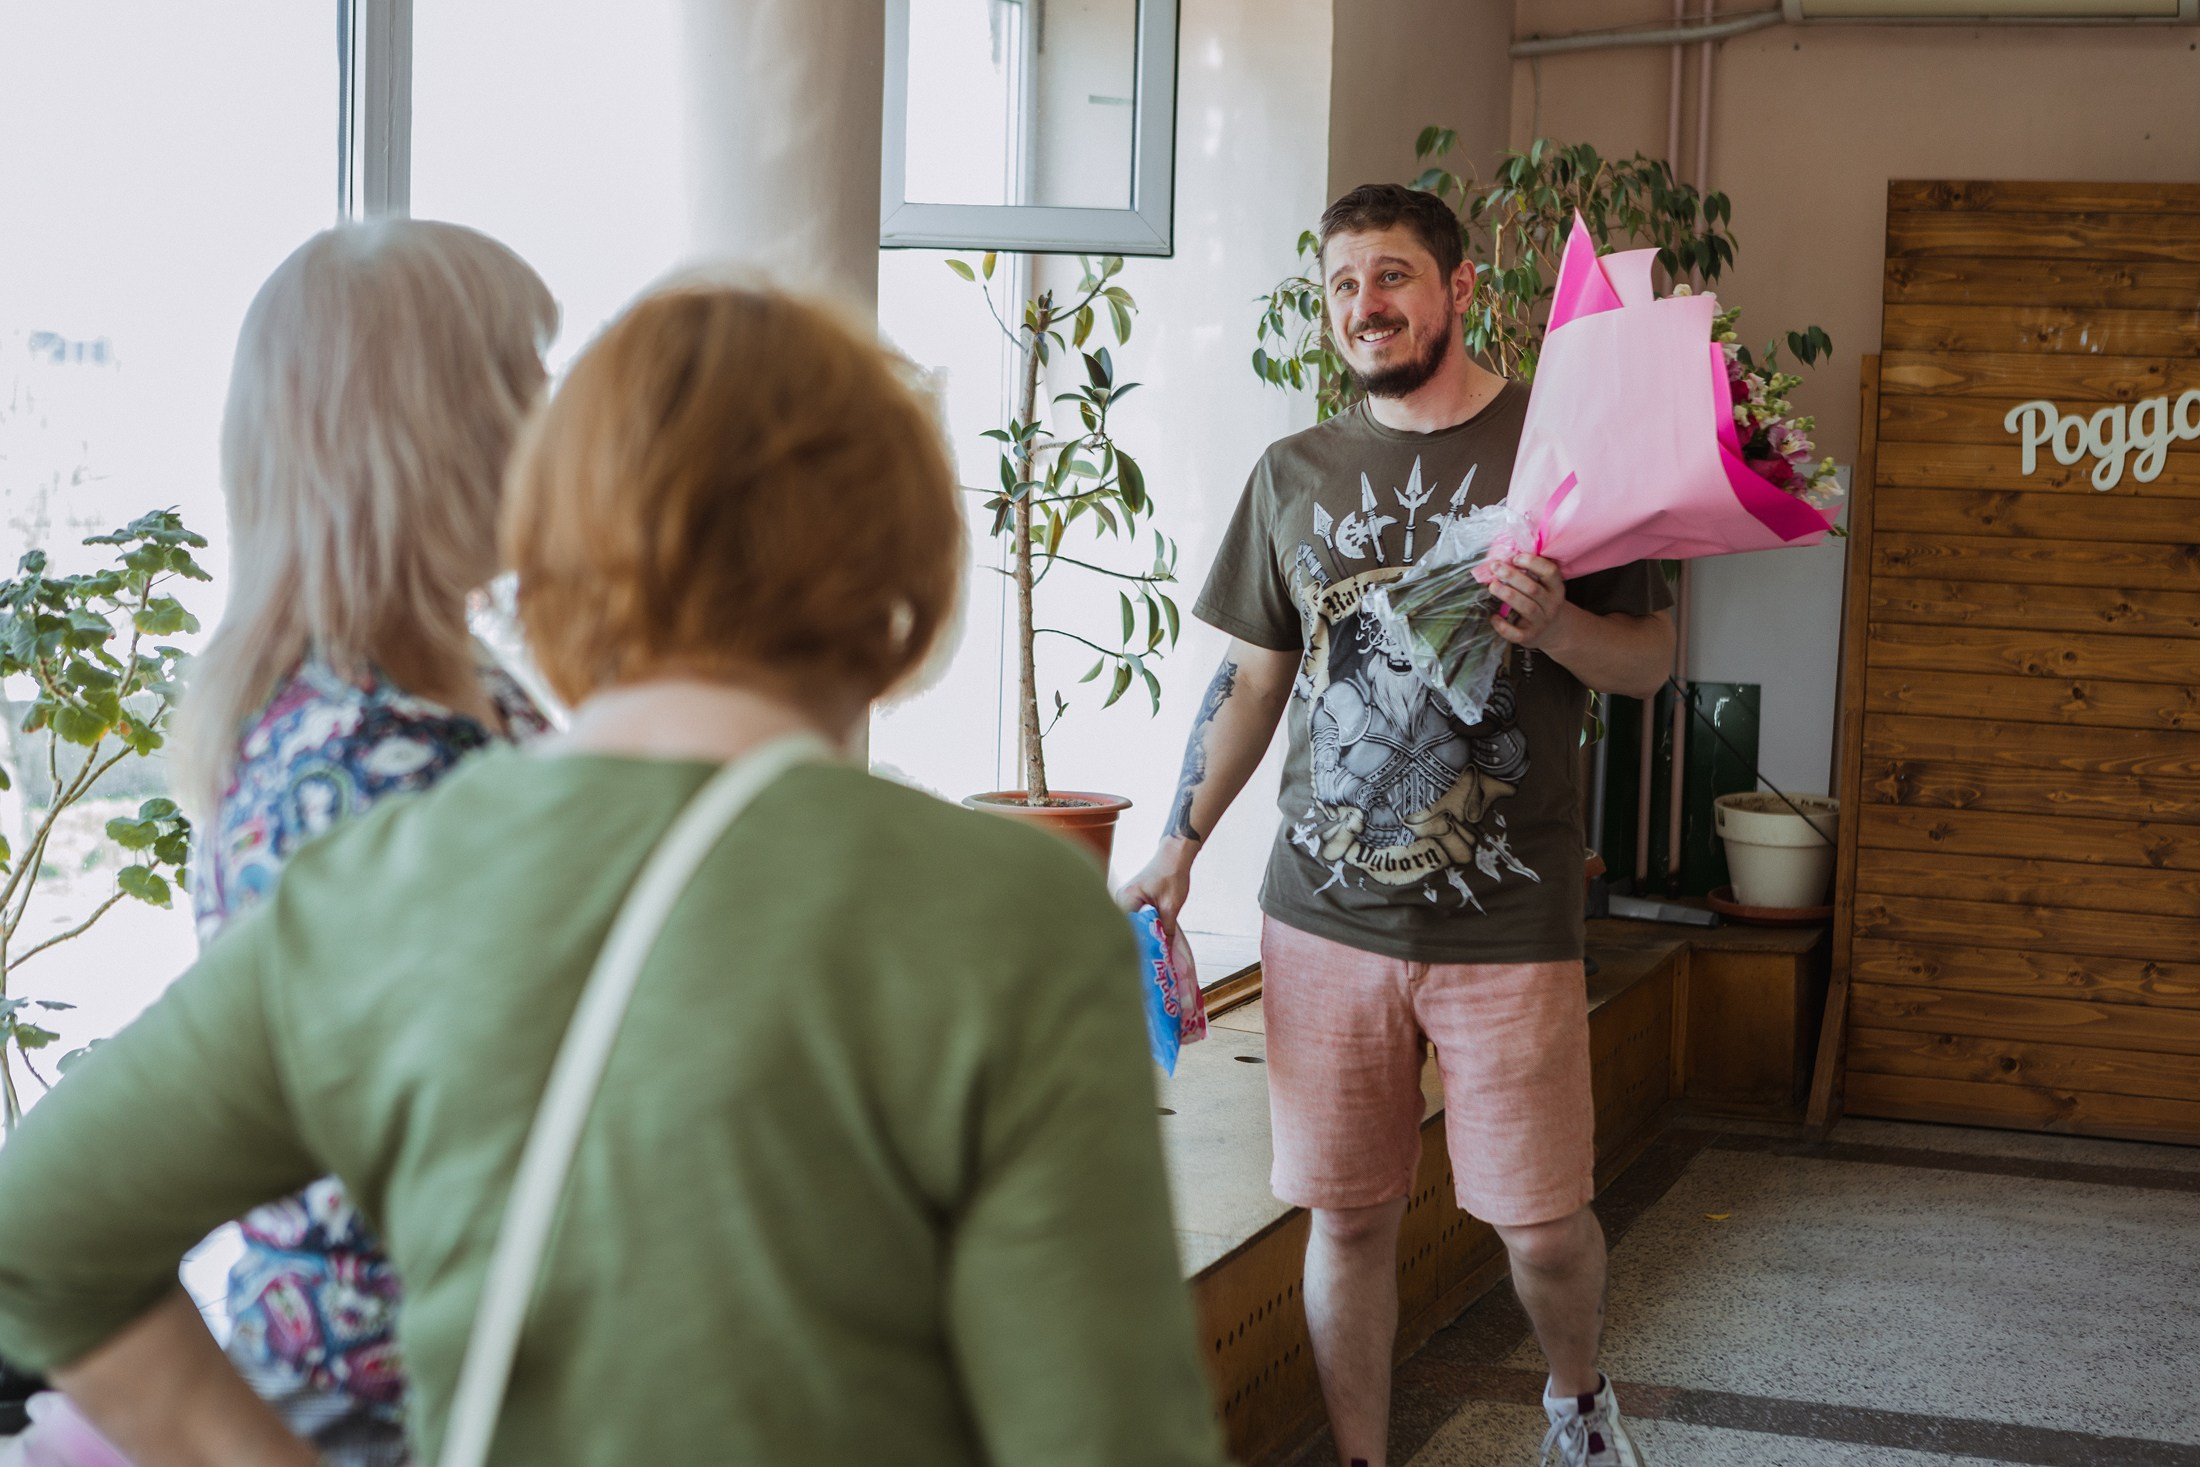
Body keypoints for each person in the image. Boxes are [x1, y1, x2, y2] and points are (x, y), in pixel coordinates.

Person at [0, 283, 1229, 1467]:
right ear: (901, 571)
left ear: (550, 552)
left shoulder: (380, 881)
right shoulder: (1004, 915)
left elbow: (36, 1239)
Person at [1121, 184, 1675, 1467]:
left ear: (1460, 288)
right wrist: (1177, 842)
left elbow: (1647, 663)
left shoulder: (1560, 446)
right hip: (1322, 916)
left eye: (1389, 277)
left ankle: (1576, 1404)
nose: (1361, 307)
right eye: (1337, 287)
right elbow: (1255, 679)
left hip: (1508, 915)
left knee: (1540, 1224)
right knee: (1347, 1218)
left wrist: (1560, 631)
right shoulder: (1294, 473)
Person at [167, 220, 559, 1466]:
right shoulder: (347, 757)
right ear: (439, 429)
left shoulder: (455, 680)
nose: (555, 417)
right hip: (390, 1410)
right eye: (526, 379)